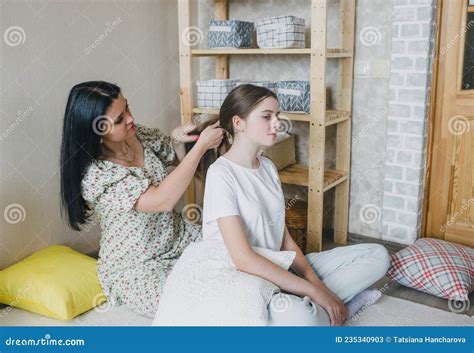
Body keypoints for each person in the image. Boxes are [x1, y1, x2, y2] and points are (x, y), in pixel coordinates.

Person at [192, 84, 391, 326]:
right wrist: (317, 292)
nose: (277, 123)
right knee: (302, 319)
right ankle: (330, 306)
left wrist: (313, 282)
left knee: (378, 256)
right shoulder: (221, 174)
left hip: (280, 266)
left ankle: (324, 305)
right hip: (247, 280)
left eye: (277, 115)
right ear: (238, 122)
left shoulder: (267, 167)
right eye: (266, 116)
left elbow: (284, 239)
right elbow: (242, 259)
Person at [59, 81, 224, 317]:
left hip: (177, 237)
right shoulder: (96, 175)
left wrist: (179, 139)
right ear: (94, 132)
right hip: (137, 266)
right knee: (190, 305)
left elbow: (173, 156)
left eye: (127, 107)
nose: (130, 119)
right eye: (119, 119)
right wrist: (200, 148)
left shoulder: (135, 135)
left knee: (235, 260)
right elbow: (161, 201)